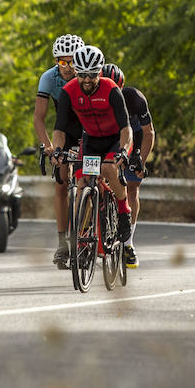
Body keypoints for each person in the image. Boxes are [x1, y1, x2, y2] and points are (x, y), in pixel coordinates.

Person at [51, 44, 133, 248]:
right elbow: (59, 129)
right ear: (76, 71)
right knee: (82, 184)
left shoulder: (111, 89)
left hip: (115, 139)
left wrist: (124, 149)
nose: (87, 79)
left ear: (100, 71)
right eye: (83, 74)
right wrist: (58, 150)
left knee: (107, 168)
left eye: (93, 74)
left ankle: (123, 211)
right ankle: (80, 236)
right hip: (92, 141)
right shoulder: (68, 92)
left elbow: (126, 128)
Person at [34, 33, 84, 268]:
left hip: (91, 130)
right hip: (64, 130)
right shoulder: (48, 78)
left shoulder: (90, 75)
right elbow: (39, 117)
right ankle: (62, 242)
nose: (66, 67)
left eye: (72, 61)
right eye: (61, 61)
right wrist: (48, 146)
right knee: (62, 181)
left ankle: (89, 234)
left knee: (89, 181)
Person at [102, 62, 153, 269]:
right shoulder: (94, 97)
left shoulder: (135, 98)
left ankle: (128, 243)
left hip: (134, 137)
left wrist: (142, 159)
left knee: (132, 187)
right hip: (108, 137)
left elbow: (149, 132)